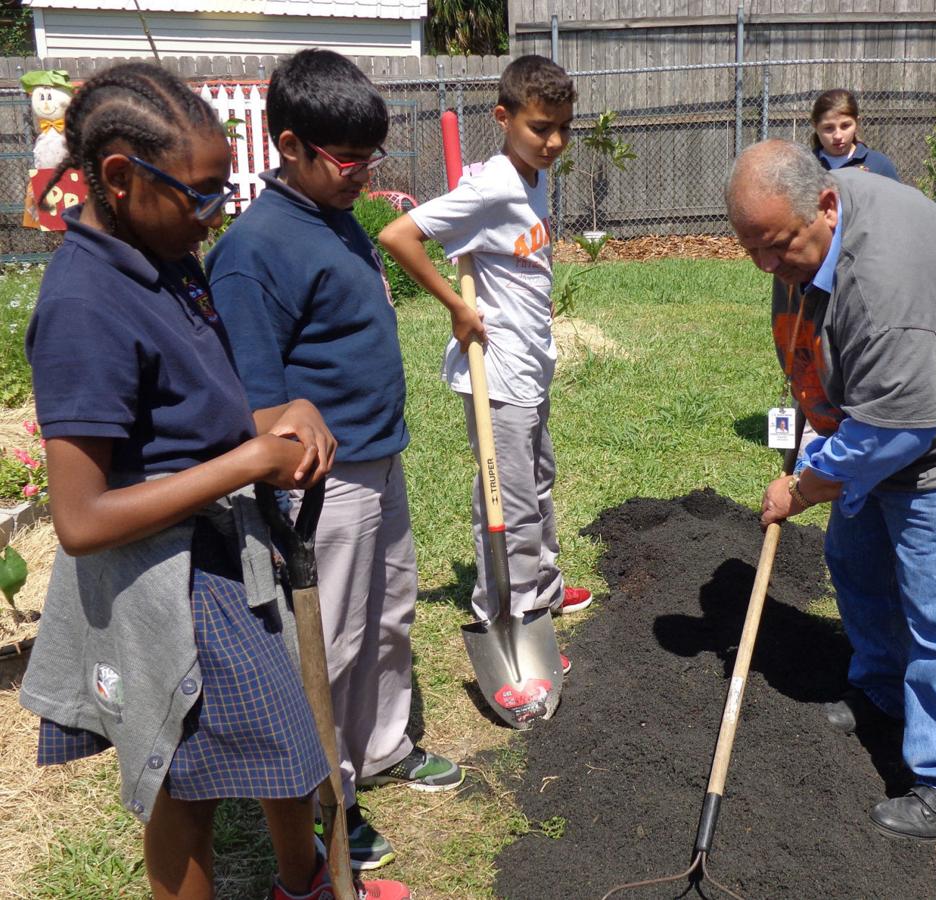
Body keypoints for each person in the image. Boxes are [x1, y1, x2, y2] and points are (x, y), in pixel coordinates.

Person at [18, 62, 408, 900]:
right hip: (169, 585)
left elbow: (195, 411)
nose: (212, 217)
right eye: (198, 196)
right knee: (188, 788)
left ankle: (304, 881)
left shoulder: (168, 259)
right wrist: (244, 462)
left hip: (228, 552)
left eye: (221, 193)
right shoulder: (85, 304)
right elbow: (82, 520)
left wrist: (276, 417)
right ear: (119, 179)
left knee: (287, 742)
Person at [725, 139, 936, 843]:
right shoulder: (818, 226)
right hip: (897, 413)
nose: (765, 265)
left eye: (776, 247)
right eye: (750, 248)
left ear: (823, 205)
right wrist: (818, 424)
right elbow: (839, 366)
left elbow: (899, 431)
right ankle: (883, 690)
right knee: (858, 559)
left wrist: (807, 485)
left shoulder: (886, 281)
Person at [206, 48, 462, 874]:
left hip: (379, 459)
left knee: (390, 617)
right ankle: (328, 794)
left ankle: (384, 745)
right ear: (289, 144)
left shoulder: (333, 213)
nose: (363, 175)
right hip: (325, 487)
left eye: (370, 157)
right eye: (347, 159)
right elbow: (257, 403)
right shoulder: (255, 252)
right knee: (335, 638)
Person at [380, 54, 593, 676]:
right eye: (539, 128)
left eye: (562, 128)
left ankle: (545, 588)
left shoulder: (531, 176)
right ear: (503, 118)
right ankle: (510, 609)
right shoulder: (495, 185)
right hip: (496, 373)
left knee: (539, 481)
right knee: (509, 499)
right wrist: (454, 306)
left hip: (532, 364)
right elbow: (398, 235)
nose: (553, 141)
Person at [809, 88, 899, 181]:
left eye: (845, 126)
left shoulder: (878, 164)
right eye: (828, 128)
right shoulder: (805, 166)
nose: (838, 136)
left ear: (857, 123)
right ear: (815, 126)